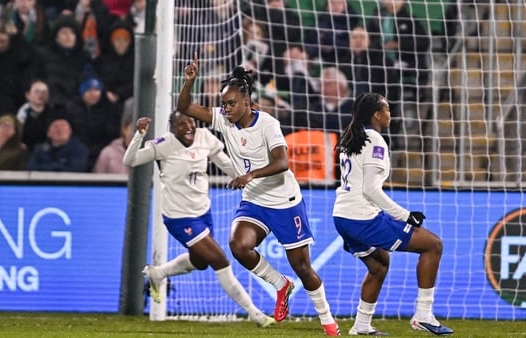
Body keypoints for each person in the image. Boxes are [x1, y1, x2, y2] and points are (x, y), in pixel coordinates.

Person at [177, 54, 340, 336]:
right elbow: (185, 107)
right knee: (239, 246)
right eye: (224, 104)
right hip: (255, 201)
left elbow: (282, 163)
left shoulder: (268, 124)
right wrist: (189, 82)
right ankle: (280, 284)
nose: (225, 109)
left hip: (284, 202)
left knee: (302, 267)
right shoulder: (224, 121)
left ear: (247, 102)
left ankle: (328, 320)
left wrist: (250, 175)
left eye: (231, 104)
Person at [122, 112, 275, 328]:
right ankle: (255, 314)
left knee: (200, 262)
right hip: (179, 217)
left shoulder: (204, 137)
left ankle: (158, 273)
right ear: (172, 128)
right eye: (181, 123)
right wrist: (139, 135)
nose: (188, 127)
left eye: (190, 122)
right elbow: (129, 160)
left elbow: (225, 163)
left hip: (203, 211)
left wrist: (250, 178)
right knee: (220, 261)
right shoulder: (163, 145)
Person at [332, 92, 454, 336]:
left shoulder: (352, 138)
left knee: (379, 265)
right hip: (362, 218)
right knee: (433, 245)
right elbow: (370, 189)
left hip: (342, 216)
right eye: (386, 109)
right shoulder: (375, 140)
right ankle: (423, 315)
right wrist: (405, 215)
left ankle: (362, 326)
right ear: (376, 115)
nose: (390, 114)